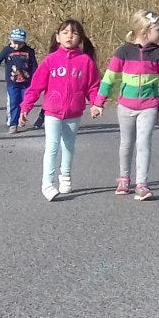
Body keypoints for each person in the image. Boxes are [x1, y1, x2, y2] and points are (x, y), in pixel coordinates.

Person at [21, 19, 102, 202]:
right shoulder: (50, 60)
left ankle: (65, 176)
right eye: (65, 32)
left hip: (74, 112)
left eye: (74, 33)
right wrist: (26, 107)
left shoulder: (86, 62)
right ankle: (47, 184)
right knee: (52, 146)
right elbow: (35, 86)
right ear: (58, 37)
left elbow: (93, 86)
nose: (69, 36)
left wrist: (96, 104)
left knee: (69, 145)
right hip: (52, 111)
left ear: (80, 38)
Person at [100, 10, 159, 201]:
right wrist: (99, 102)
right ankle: (124, 178)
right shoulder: (124, 51)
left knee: (144, 143)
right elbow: (109, 77)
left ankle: (142, 184)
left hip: (149, 106)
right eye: (158, 30)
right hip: (126, 106)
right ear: (145, 31)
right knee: (126, 143)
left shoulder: (158, 54)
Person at [0, 28, 38, 133]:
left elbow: (34, 66)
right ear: (10, 40)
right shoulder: (7, 50)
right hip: (12, 83)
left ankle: (21, 119)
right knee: (13, 102)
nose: (17, 46)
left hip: (27, 83)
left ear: (24, 42)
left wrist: (36, 79)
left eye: (20, 43)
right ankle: (12, 123)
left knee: (25, 103)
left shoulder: (29, 51)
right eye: (15, 43)